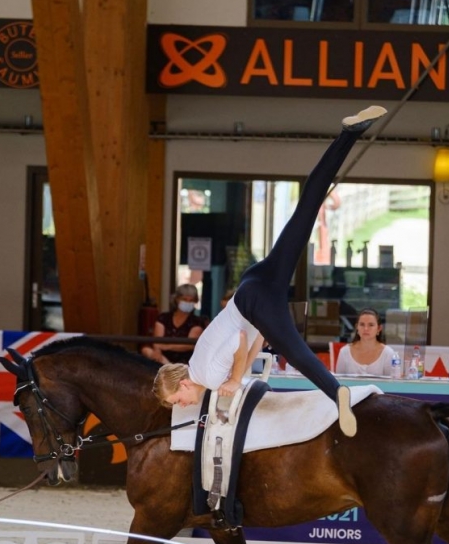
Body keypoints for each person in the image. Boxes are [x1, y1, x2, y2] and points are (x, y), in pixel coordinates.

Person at [155, 105, 388, 437]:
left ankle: (338, 394)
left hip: (255, 301)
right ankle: (349, 133)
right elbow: (246, 344)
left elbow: (237, 340)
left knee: (299, 355)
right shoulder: (200, 363)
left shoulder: (206, 376)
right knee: (306, 211)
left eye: (176, 399)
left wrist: (236, 380)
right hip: (252, 287)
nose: (181, 404)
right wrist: (261, 338)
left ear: (182, 382)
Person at [142, 284, 208, 365]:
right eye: (184, 299)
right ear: (177, 299)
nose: (188, 302)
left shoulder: (197, 322)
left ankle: (170, 368)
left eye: (191, 300)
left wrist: (166, 347)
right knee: (146, 350)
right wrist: (157, 351)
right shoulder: (163, 318)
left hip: (185, 358)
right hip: (162, 357)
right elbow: (157, 339)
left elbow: (189, 345)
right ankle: (168, 366)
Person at [335, 309, 396, 376]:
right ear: (357, 327)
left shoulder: (388, 353)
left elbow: (391, 383)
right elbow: (339, 382)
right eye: (362, 324)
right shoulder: (344, 352)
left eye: (371, 325)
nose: (366, 329)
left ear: (379, 328)